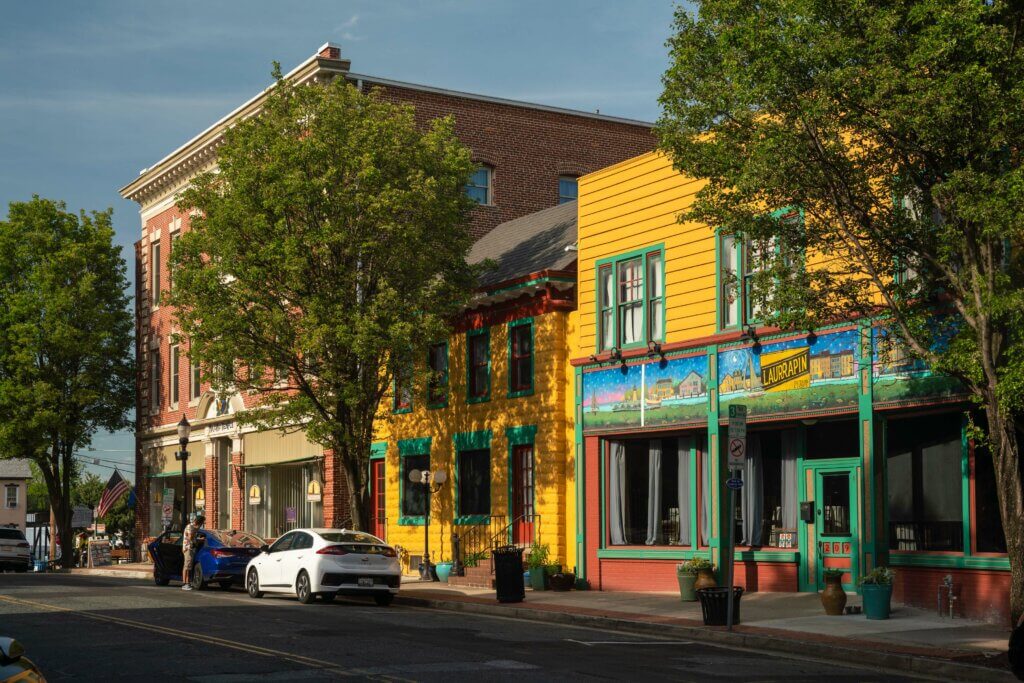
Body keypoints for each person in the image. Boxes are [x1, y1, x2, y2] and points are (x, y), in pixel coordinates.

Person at [181, 512, 204, 590]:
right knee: (187, 566)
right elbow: (190, 537)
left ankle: (188, 582)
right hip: (188, 548)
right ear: (199, 522)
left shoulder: (193, 527)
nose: (201, 525)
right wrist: (198, 539)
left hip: (190, 548)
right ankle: (185, 583)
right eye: (202, 523)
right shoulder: (190, 527)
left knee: (188, 566)